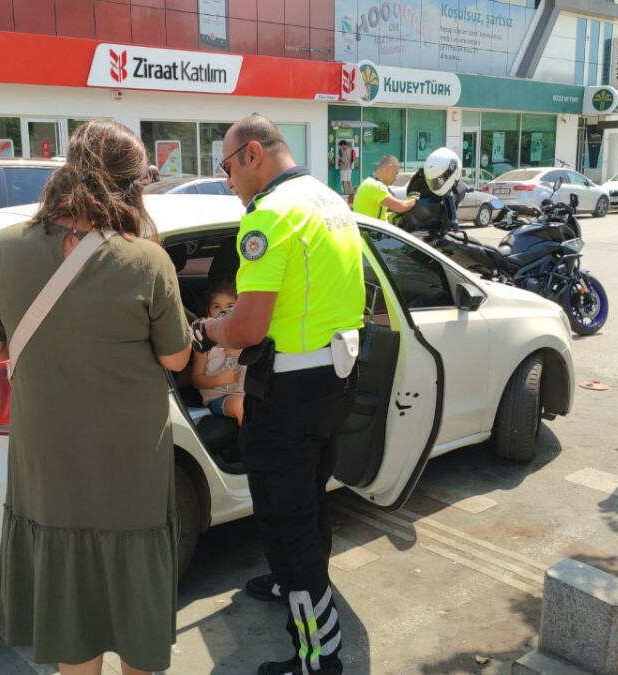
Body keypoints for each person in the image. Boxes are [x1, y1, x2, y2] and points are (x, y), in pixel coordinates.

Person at [0, 120, 191, 675]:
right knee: (134, 580)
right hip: (129, 457)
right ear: (133, 184)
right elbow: (177, 359)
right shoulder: (146, 260)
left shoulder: (5, 248)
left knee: (68, 594)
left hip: (47, 451)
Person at [192, 114, 364, 675]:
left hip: (288, 390)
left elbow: (245, 329)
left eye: (227, 167)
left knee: (287, 519)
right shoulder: (329, 201)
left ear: (253, 155)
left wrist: (208, 330)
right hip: (334, 380)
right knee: (308, 501)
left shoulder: (268, 216)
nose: (227, 181)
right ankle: (293, 583)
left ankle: (319, 657)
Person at [191, 281, 245, 426]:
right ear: (208, 311)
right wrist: (222, 379)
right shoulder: (205, 341)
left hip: (248, 391)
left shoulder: (247, 336)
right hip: (220, 397)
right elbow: (196, 380)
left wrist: (243, 354)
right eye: (217, 307)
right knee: (243, 407)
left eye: (230, 307)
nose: (223, 312)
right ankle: (251, 448)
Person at [352, 154, 417, 222]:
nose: (396, 178)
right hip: (373, 231)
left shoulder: (368, 182)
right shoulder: (375, 186)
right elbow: (400, 207)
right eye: (396, 173)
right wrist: (415, 197)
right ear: (389, 168)